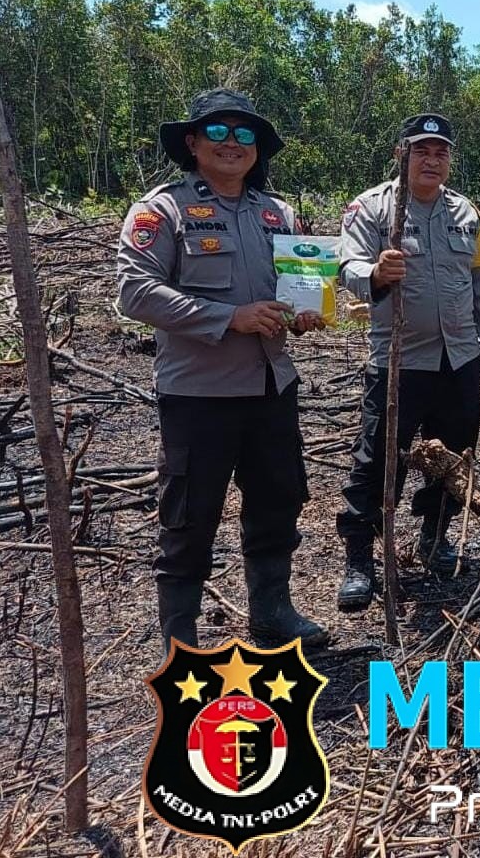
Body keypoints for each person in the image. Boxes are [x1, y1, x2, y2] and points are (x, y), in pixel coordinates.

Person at [116, 88, 328, 651]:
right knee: (189, 515)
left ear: (257, 148)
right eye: (217, 132)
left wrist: (307, 313)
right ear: (192, 142)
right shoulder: (162, 210)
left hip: (270, 386)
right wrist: (228, 318)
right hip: (199, 395)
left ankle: (273, 612)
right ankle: (179, 639)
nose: (232, 144)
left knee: (279, 501)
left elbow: (300, 287)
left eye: (244, 134)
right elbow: (135, 293)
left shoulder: (276, 213)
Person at [335, 113, 480, 611]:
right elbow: (344, 266)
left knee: (454, 456)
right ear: (403, 154)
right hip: (398, 360)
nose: (431, 161)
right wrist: (374, 271)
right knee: (378, 459)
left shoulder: (465, 214)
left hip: (459, 359)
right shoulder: (372, 208)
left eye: (440, 153)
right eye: (421, 151)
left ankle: (435, 537)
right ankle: (360, 558)